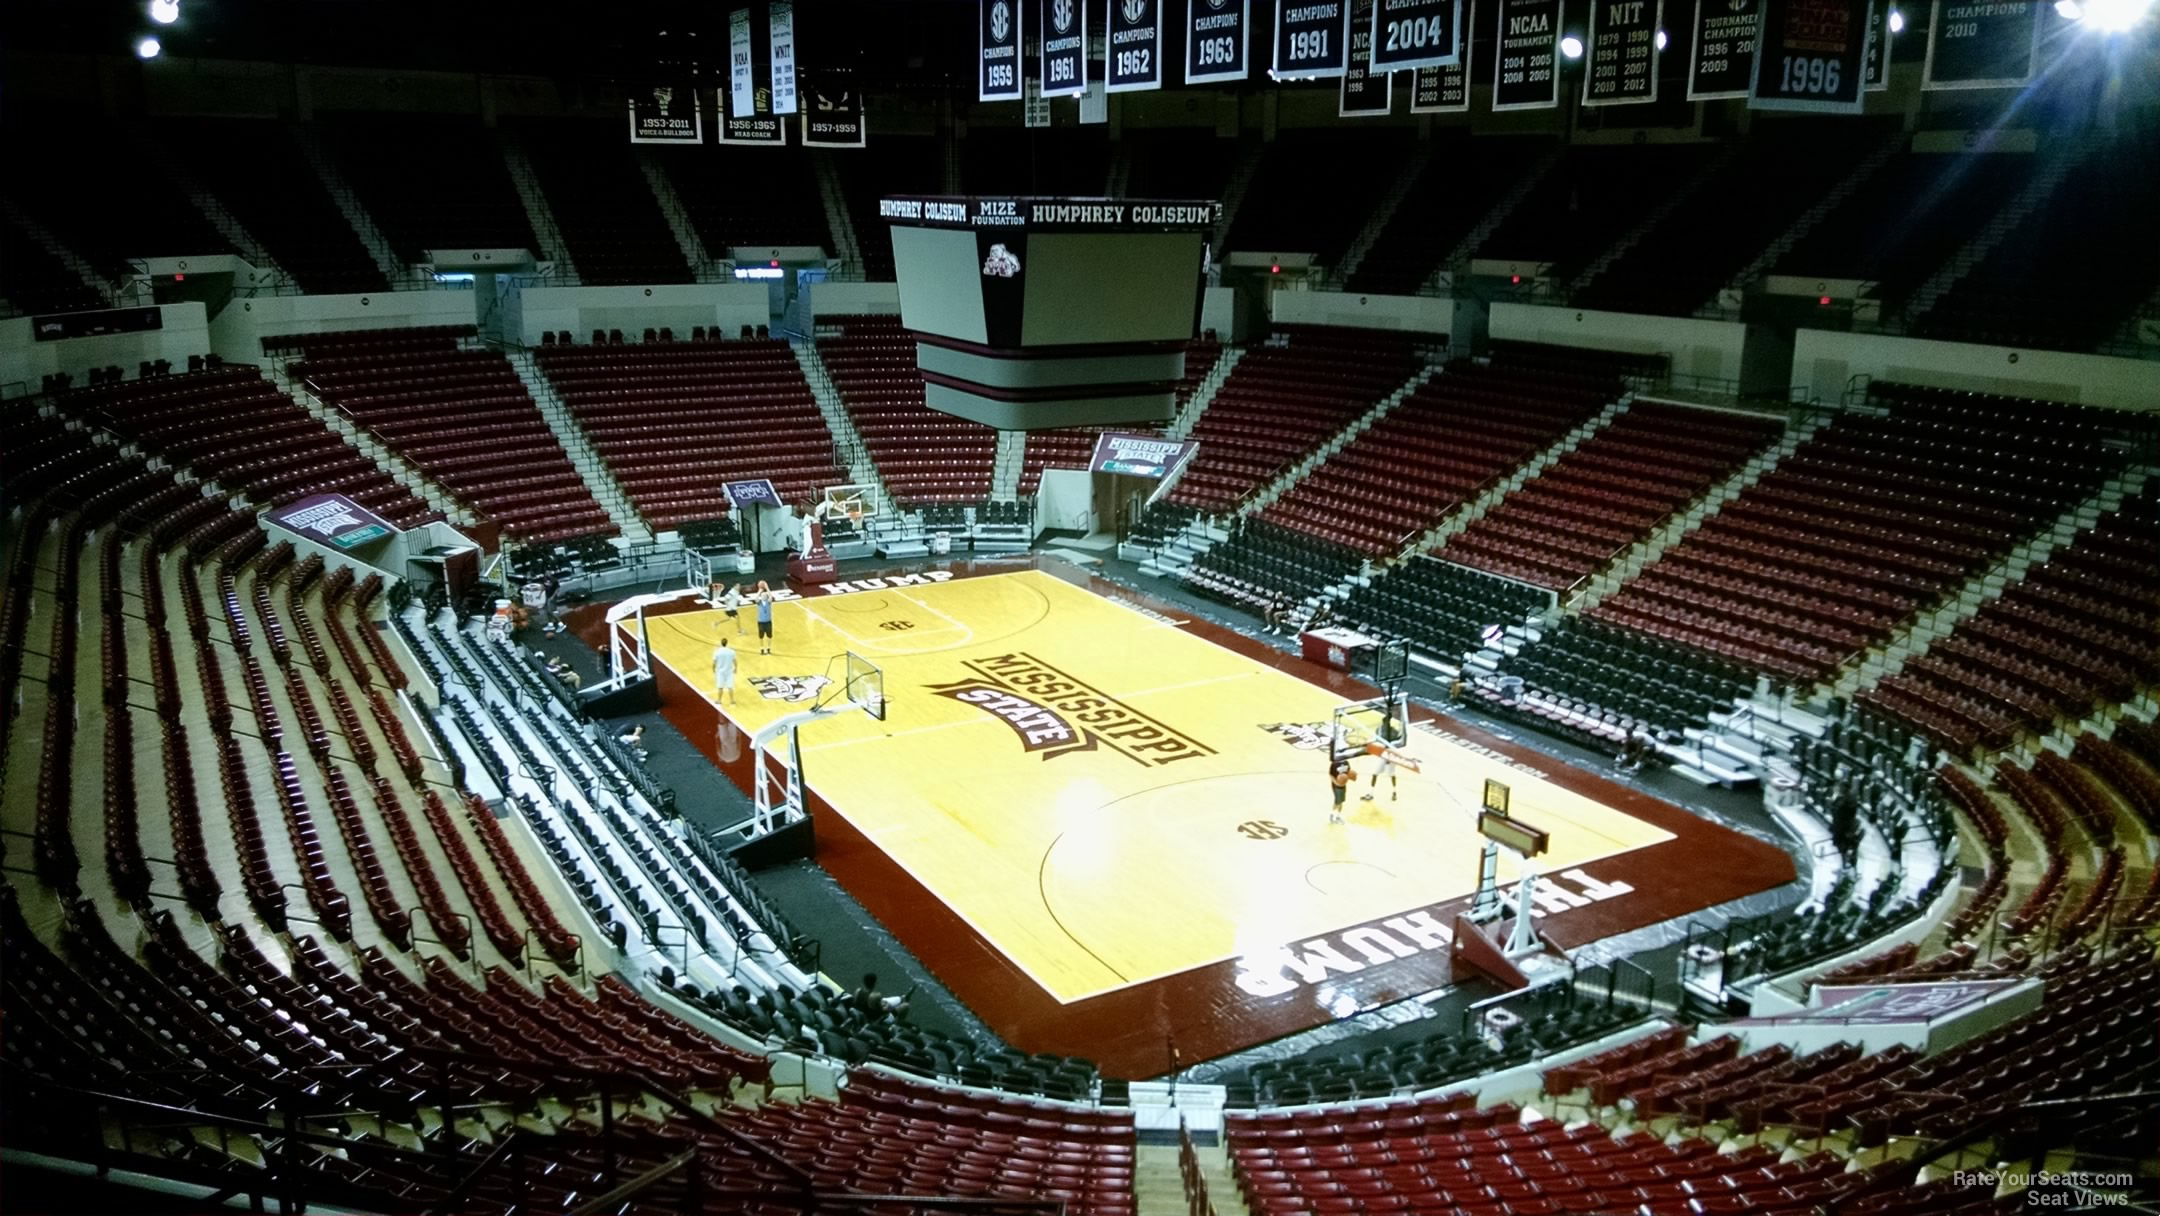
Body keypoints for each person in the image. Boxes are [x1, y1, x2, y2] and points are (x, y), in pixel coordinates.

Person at [711, 636, 737, 706]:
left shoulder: (717, 652)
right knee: (730, 687)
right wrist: (736, 668)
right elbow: (735, 661)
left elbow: (714, 662)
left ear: (721, 643)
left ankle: (719, 700)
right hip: (729, 671)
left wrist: (713, 669)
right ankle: (732, 700)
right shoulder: (732, 651)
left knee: (720, 687)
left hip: (720, 672)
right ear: (727, 643)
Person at [1328, 757, 1355, 825]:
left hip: (1343, 785)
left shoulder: (1346, 762)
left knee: (1340, 801)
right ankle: (1335, 817)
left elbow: (1348, 772)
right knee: (1338, 801)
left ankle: (1334, 815)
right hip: (1336, 786)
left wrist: (1351, 776)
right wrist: (1336, 782)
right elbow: (1330, 774)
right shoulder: (1334, 763)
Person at [752, 581, 775, 656]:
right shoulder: (759, 603)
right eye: (762, 595)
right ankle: (761, 648)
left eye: (765, 595)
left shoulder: (768, 602)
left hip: (768, 621)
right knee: (761, 636)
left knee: (769, 636)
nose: (763, 596)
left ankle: (768, 648)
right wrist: (760, 590)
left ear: (766, 597)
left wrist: (767, 588)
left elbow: (771, 596)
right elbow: (755, 598)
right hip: (761, 622)